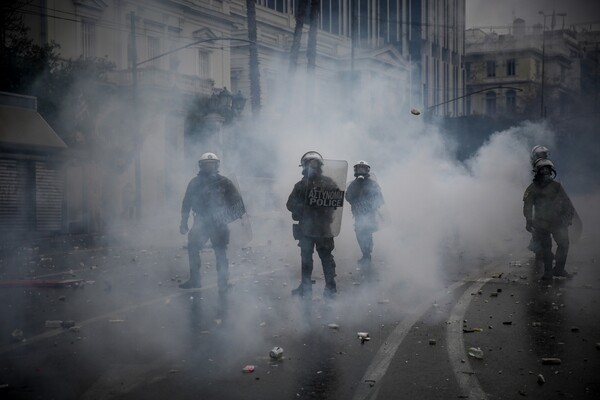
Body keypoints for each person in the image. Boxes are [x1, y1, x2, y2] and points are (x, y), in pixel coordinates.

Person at [179, 152, 246, 291]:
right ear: (201, 166)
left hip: (218, 223)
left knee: (220, 252)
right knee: (193, 248)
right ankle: (195, 280)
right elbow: (186, 203)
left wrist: (224, 218)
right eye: (206, 164)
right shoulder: (195, 183)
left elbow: (238, 204)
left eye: (212, 164)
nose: (210, 167)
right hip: (201, 222)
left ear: (217, 165)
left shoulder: (225, 182)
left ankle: (223, 282)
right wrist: (183, 222)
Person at [286, 151, 340, 299]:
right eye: (310, 165)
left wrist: (319, 205)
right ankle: (309, 286)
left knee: (324, 258)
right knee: (308, 258)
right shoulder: (301, 185)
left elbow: (336, 203)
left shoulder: (327, 183)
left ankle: (330, 287)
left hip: (320, 228)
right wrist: (303, 207)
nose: (312, 168)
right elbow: (290, 205)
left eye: (314, 165)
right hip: (308, 228)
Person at [523, 158, 575, 280]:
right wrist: (529, 220)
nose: (546, 172)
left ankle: (559, 269)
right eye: (543, 170)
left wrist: (568, 218)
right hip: (541, 223)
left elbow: (566, 203)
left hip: (558, 222)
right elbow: (528, 206)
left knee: (564, 244)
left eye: (548, 170)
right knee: (546, 247)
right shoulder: (532, 188)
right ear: (538, 171)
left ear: (551, 171)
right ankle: (548, 272)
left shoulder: (557, 186)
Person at [345, 160, 384, 268]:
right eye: (359, 168)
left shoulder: (373, 184)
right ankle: (365, 254)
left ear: (367, 170)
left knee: (366, 234)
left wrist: (370, 205)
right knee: (360, 235)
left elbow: (380, 199)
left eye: (363, 168)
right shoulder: (354, 184)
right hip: (358, 215)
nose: (361, 171)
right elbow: (348, 197)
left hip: (369, 215)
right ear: (356, 170)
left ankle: (367, 255)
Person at [527, 145, 551, 270]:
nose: (543, 157)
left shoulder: (546, 164)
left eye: (544, 154)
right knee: (539, 228)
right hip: (538, 199)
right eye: (541, 155)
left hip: (547, 200)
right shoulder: (534, 166)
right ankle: (539, 252)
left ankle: (542, 251)